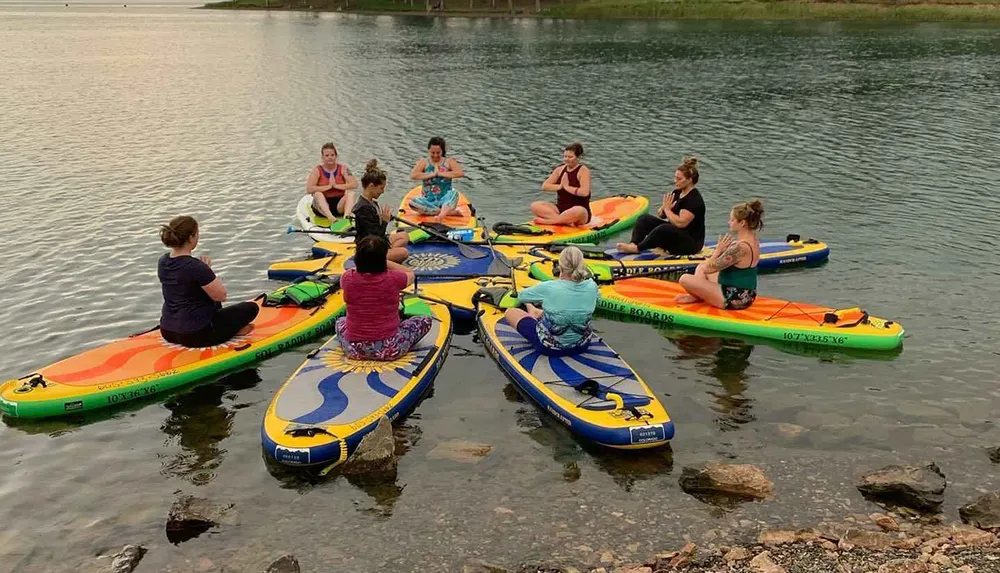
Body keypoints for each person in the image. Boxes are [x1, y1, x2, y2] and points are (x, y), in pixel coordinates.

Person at [158, 216, 259, 348]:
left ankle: (229, 330)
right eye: (197, 234)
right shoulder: (196, 266)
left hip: (168, 331)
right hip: (197, 334)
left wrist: (205, 272)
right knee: (251, 308)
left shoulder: (163, 261)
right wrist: (207, 270)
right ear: (191, 238)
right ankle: (233, 331)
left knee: (209, 301)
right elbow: (221, 296)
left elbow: (184, 283)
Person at [336, 236, 432, 361]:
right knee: (425, 320)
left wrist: (367, 262)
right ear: (383, 259)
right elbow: (410, 273)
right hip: (389, 349)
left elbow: (357, 273)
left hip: (353, 349)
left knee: (340, 321)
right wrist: (384, 261)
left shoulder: (347, 278)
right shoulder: (393, 278)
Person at [503, 246, 598, 354]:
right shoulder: (592, 286)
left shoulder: (549, 287)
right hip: (582, 346)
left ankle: (534, 312)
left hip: (549, 348)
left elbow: (521, 296)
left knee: (510, 312)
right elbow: (594, 299)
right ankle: (537, 312)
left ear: (560, 267)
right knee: (564, 309)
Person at [676, 199, 764, 310]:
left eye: (732, 220)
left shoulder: (740, 248)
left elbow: (709, 268)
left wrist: (718, 250)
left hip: (735, 298)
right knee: (701, 267)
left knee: (684, 279)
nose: (729, 223)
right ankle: (696, 296)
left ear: (742, 223)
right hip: (748, 294)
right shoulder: (754, 240)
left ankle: (697, 296)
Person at [617, 156, 705, 255]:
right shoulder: (677, 193)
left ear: (689, 180)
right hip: (675, 236)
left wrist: (667, 210)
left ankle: (638, 248)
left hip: (690, 244)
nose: (675, 181)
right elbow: (661, 214)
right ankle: (633, 244)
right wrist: (664, 209)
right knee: (644, 219)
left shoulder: (693, 200)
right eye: (675, 177)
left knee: (664, 228)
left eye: (679, 179)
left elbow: (681, 223)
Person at [352, 159, 409, 263]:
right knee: (403, 253)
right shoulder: (363, 208)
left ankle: (386, 254)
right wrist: (384, 222)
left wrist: (385, 217)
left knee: (404, 236)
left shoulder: (371, 203)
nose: (383, 191)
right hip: (369, 249)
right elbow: (374, 237)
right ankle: (379, 260)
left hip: (378, 242)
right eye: (381, 188)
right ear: (371, 186)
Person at [532, 143, 592, 226]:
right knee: (536, 205)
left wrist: (567, 187)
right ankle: (563, 221)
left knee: (579, 210)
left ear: (578, 157)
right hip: (561, 209)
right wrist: (560, 186)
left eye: (570, 157)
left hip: (579, 211)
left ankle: (550, 221)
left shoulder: (583, 170)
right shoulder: (560, 170)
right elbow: (545, 186)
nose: (567, 159)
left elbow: (585, 192)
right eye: (565, 156)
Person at [409, 137, 464, 222]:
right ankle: (446, 212)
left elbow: (460, 173)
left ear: (442, 151)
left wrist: (441, 174)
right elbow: (413, 175)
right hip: (428, 201)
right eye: (432, 153)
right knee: (412, 203)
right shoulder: (424, 162)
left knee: (454, 193)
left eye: (438, 153)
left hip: (445, 199)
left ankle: (441, 215)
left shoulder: (449, 162)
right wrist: (432, 174)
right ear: (428, 151)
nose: (435, 155)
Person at [306, 142, 358, 222]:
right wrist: (328, 187)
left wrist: (336, 186)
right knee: (317, 194)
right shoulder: (317, 170)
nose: (330, 157)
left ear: (336, 156)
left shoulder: (343, 168)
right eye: (327, 155)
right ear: (322, 157)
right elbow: (309, 189)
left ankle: (346, 219)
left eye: (332, 155)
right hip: (322, 208)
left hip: (339, 206)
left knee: (351, 194)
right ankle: (331, 219)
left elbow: (354, 184)